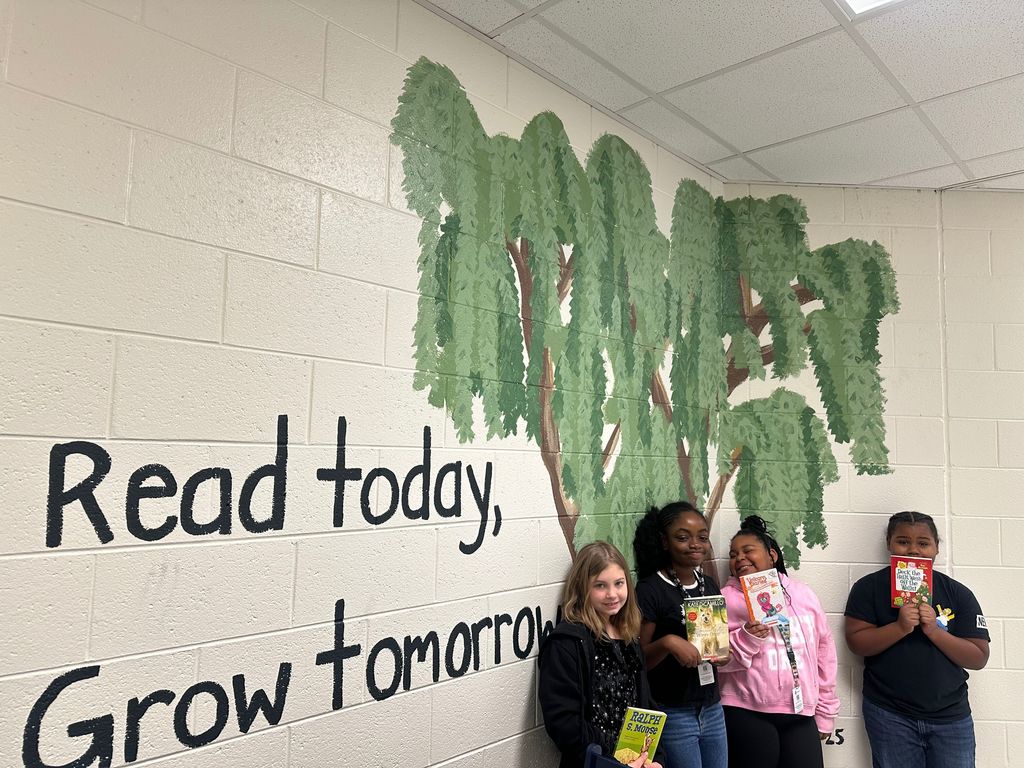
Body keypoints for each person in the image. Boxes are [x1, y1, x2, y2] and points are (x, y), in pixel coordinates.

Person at [844, 511, 990, 768]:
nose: (913, 550)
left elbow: (978, 657)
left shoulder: (958, 593)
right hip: (889, 714)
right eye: (903, 541)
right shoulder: (868, 588)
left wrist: (934, 630)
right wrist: (900, 627)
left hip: (951, 717)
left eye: (923, 543)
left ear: (936, 548)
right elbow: (856, 642)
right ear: (889, 544)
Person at [718, 515, 838, 768]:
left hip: (800, 711)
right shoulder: (724, 599)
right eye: (733, 554)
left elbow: (824, 652)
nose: (739, 558)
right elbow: (716, 661)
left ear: (772, 555)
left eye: (748, 550)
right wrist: (747, 636)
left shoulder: (803, 594)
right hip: (746, 711)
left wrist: (826, 710)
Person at [539, 541, 663, 768]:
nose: (612, 594)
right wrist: (617, 757)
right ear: (582, 588)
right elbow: (565, 725)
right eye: (600, 586)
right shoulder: (566, 643)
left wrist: (655, 758)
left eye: (619, 583)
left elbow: (646, 706)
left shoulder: (629, 637)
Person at [633, 501, 727, 768]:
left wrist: (723, 654)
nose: (695, 544)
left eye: (702, 537)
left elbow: (717, 647)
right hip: (673, 711)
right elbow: (637, 660)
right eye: (683, 538)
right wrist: (668, 643)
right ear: (665, 542)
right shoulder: (650, 589)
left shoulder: (709, 585)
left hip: (712, 708)